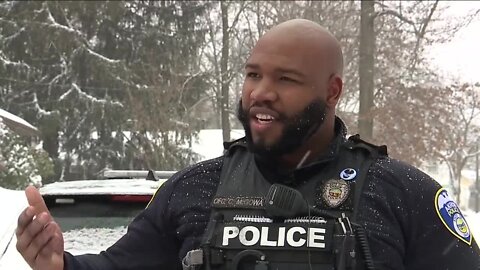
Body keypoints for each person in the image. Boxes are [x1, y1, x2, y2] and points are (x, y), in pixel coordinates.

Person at [16, 19, 479, 270]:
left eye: (286, 79)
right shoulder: (195, 188)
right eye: (253, 74)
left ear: (332, 91)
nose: (261, 92)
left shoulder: (403, 194)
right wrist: (58, 264)